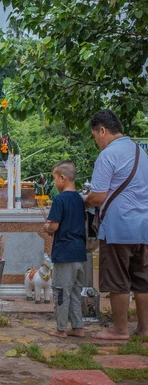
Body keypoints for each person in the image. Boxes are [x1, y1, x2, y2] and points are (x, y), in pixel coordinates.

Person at [83, 110, 148, 340]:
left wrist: (83, 202)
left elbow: (98, 196)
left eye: (95, 136)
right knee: (142, 280)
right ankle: (144, 328)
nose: (97, 142)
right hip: (144, 228)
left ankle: (120, 330)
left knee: (118, 278)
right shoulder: (140, 152)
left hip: (119, 227)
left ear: (102, 130)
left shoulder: (108, 155)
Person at [44, 161, 87, 338]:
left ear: (62, 178)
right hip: (79, 252)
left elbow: (54, 226)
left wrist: (46, 227)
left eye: (54, 178)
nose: (54, 182)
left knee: (61, 290)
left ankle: (61, 328)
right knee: (76, 291)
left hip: (64, 252)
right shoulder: (79, 198)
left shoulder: (60, 199)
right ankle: (78, 326)